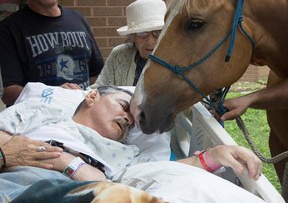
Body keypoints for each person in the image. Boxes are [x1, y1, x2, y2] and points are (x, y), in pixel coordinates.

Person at [0, 86, 264, 202]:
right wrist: (69, 163)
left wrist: (215, 154)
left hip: (91, 194)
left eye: (132, 121)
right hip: (21, 182)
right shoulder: (44, 114)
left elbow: (163, 170)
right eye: (124, 107)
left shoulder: (125, 153)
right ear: (93, 96)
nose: (128, 119)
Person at [0, 0, 104, 106]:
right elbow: (8, 93)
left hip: (84, 113)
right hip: (39, 120)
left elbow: (98, 73)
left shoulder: (78, 19)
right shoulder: (8, 29)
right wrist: (56, 95)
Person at [89, 0, 166, 88]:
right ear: (133, 37)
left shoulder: (176, 58)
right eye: (142, 33)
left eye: (157, 32)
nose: (150, 41)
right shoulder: (119, 54)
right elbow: (99, 89)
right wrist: (79, 92)